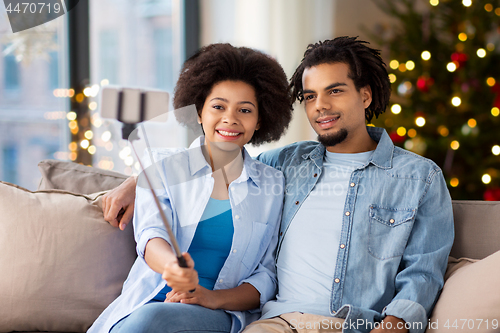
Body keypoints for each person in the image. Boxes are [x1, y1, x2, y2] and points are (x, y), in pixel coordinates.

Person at [103, 37, 454, 333]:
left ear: (365, 96)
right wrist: (138, 181)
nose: (321, 107)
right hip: (274, 323)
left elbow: (424, 271)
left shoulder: (418, 178)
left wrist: (394, 326)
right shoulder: (286, 164)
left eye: (334, 91)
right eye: (310, 96)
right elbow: (219, 159)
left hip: (349, 325)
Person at [89, 43, 293, 333]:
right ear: (199, 112)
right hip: (147, 303)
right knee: (150, 318)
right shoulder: (161, 167)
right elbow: (151, 235)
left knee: (155, 320)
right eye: (218, 106)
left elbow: (266, 276)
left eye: (244, 110)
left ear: (260, 120)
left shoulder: (272, 185)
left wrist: (211, 298)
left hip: (215, 314)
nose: (230, 119)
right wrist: (172, 267)